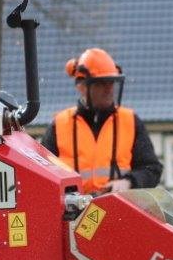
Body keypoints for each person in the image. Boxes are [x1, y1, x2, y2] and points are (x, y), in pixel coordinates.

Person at [41, 47, 163, 193]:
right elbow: (42, 174)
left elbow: (151, 169)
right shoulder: (59, 125)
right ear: (82, 86)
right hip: (73, 213)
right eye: (101, 83)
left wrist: (129, 182)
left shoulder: (130, 121)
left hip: (120, 210)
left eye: (111, 82)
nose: (109, 89)